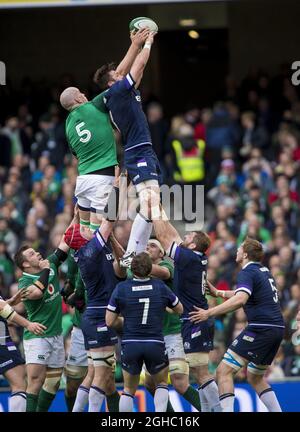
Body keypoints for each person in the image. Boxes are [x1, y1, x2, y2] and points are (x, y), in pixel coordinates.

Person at [60, 29, 150, 239]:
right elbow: (117, 80)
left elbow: (75, 153)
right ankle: (97, 268)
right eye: (81, 93)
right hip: (103, 175)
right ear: (79, 98)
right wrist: (135, 45)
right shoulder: (93, 106)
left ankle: (82, 267)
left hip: (83, 179)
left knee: (84, 230)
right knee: (101, 231)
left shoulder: (67, 125)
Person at [190, 237, 284, 412]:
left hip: (260, 328)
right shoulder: (263, 270)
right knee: (255, 377)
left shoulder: (247, 272)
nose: (237, 251)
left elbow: (241, 299)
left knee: (223, 371)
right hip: (276, 328)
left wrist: (208, 312)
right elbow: (242, 292)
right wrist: (218, 292)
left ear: (246, 254)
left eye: (240, 248)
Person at [94, 30, 161, 267]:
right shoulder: (117, 91)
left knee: (153, 205)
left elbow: (135, 72)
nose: (121, 74)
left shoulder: (123, 91)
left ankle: (134, 252)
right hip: (138, 151)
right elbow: (140, 65)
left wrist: (135, 44)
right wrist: (148, 42)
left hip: (142, 150)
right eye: (117, 74)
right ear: (111, 83)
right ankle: (132, 253)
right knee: (151, 204)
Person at [152, 212, 222, 412]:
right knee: (199, 373)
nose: (184, 237)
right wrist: (161, 211)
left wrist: (154, 210)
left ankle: (217, 410)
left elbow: (165, 238)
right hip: (195, 318)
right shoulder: (195, 257)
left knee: (201, 373)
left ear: (192, 246)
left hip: (195, 319)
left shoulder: (188, 258)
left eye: (189, 237)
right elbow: (172, 235)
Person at [65, 182, 123, 413]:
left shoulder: (97, 249)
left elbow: (120, 267)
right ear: (84, 240)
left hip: (98, 314)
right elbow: (109, 220)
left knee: (96, 373)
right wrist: (118, 190)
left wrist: (80, 209)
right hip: (98, 315)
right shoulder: (90, 251)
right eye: (86, 230)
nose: (90, 228)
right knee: (101, 373)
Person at [106, 252, 183, 412]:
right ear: (150, 269)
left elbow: (109, 321)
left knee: (128, 390)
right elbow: (179, 309)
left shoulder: (121, 288)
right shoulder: (160, 287)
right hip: (155, 342)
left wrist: (128, 320)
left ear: (131, 269)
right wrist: (163, 309)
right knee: (161, 383)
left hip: (131, 343)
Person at [14, 228, 71, 412]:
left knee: (53, 384)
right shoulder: (24, 283)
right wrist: (46, 269)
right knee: (36, 383)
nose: (37, 253)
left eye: (35, 251)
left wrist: (77, 219)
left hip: (55, 335)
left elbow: (65, 244)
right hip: (37, 336)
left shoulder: (50, 265)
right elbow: (38, 292)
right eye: (31, 254)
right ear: (25, 264)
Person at [143, 239, 202, 412]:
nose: (148, 247)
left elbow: (162, 273)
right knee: (149, 384)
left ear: (162, 253)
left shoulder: (166, 267)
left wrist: (134, 261)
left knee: (179, 382)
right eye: (145, 245)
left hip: (173, 332)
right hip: (152, 335)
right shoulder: (139, 274)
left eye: (153, 245)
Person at [0, 291, 46, 412]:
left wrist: (8, 302)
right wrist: (28, 324)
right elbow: (1, 308)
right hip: (1, 343)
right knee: (19, 384)